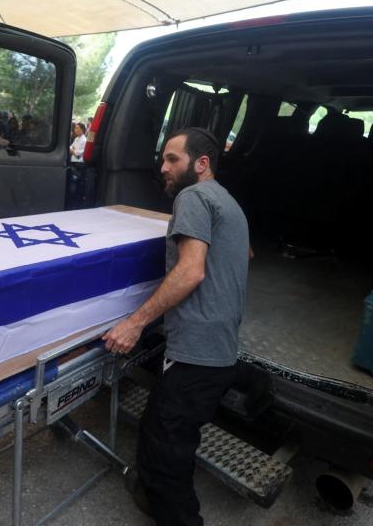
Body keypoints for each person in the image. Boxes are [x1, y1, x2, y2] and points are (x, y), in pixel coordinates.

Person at [102, 128, 249, 526]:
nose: (163, 168)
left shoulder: (193, 196)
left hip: (197, 351)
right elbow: (244, 251)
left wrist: (134, 323)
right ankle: (149, 495)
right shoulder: (226, 201)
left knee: (168, 452)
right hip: (219, 343)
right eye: (163, 159)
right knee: (160, 428)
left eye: (173, 159)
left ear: (202, 164)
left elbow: (190, 271)